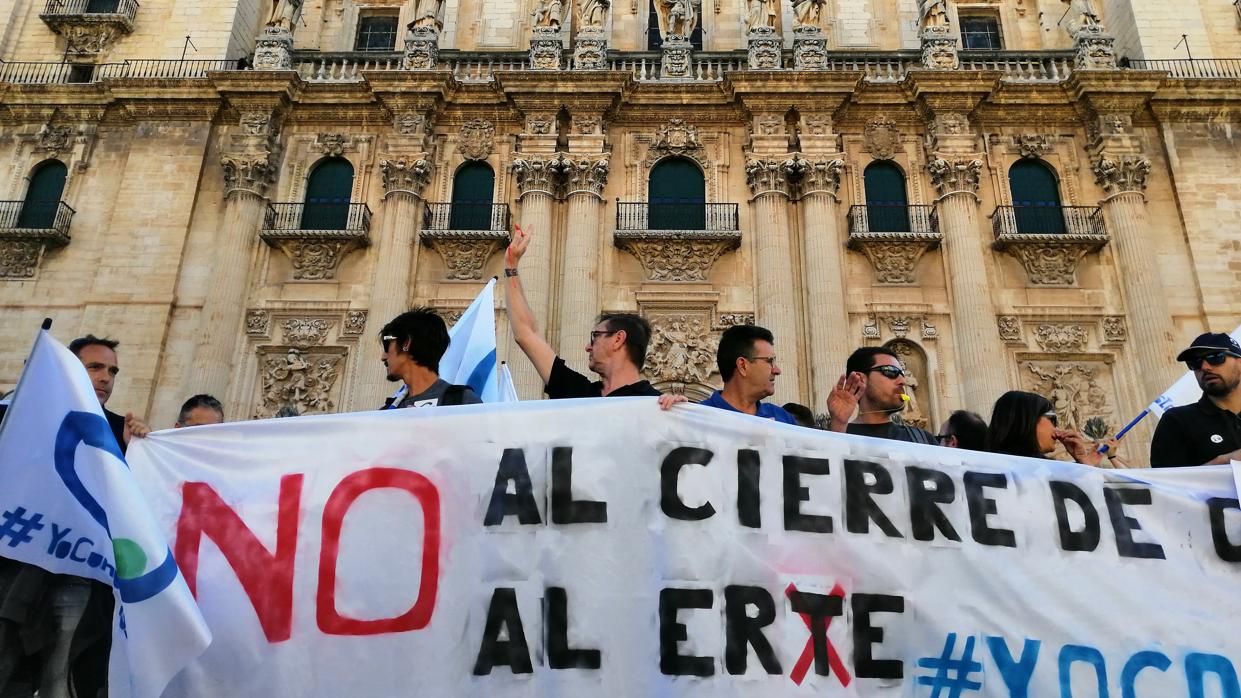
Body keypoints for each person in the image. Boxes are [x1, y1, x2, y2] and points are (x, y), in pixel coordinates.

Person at [0, 335, 148, 698]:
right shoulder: (18, 416)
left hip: (78, 574)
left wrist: (138, 451)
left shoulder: (115, 431)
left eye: (112, 370)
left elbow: (129, 500)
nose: (106, 378)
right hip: (16, 567)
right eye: (95, 367)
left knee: (61, 672)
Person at [504, 225, 660, 399]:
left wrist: (680, 408)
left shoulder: (658, 405)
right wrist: (511, 265)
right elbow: (526, 334)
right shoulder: (578, 394)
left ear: (618, 339)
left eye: (595, 336)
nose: (587, 347)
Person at [1150, 332, 1241, 467]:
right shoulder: (1177, 421)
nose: (1205, 367)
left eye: (1215, 358)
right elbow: (1165, 484)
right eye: (1195, 363)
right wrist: (1224, 463)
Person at [826, 347, 935, 444]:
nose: (903, 381)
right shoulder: (830, 437)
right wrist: (838, 425)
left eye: (902, 374)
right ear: (860, 379)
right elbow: (830, 465)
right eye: (891, 371)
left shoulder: (923, 440)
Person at [379, 308, 482, 408]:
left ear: (406, 343)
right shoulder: (386, 412)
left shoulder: (464, 402)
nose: (383, 357)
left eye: (386, 344)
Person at [697, 325, 796, 424]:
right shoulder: (698, 419)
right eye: (769, 361)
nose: (777, 370)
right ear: (743, 365)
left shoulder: (784, 419)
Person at [986, 390, 1104, 465]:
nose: (1057, 428)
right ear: (1027, 420)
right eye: (1052, 419)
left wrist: (1083, 459)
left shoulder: (1050, 470)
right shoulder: (991, 468)